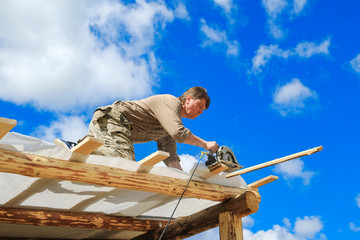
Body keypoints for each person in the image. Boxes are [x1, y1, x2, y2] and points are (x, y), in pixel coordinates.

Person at [86, 86, 219, 170]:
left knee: (118, 167)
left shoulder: (167, 125)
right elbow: (178, 133)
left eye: (203, 110)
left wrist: (183, 179)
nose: (201, 111)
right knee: (123, 163)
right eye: (200, 105)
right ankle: (74, 148)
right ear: (188, 99)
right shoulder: (170, 101)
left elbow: (170, 158)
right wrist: (205, 144)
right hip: (112, 118)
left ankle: (87, 152)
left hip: (115, 126)